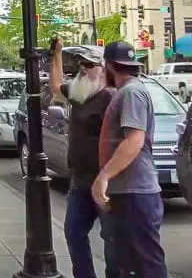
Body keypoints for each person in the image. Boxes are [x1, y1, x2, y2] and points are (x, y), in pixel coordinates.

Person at [93, 41, 168, 278]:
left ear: (108, 66)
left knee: (145, 264)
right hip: (126, 193)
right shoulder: (126, 92)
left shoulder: (132, 92)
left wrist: (104, 176)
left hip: (136, 193)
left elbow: (134, 140)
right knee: (126, 264)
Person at [47, 39, 118, 278]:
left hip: (104, 183)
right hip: (79, 181)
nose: (83, 68)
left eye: (89, 64)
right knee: (73, 232)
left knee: (112, 237)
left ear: (103, 69)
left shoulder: (110, 97)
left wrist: (108, 175)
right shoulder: (78, 92)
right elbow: (56, 87)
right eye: (81, 64)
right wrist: (55, 56)